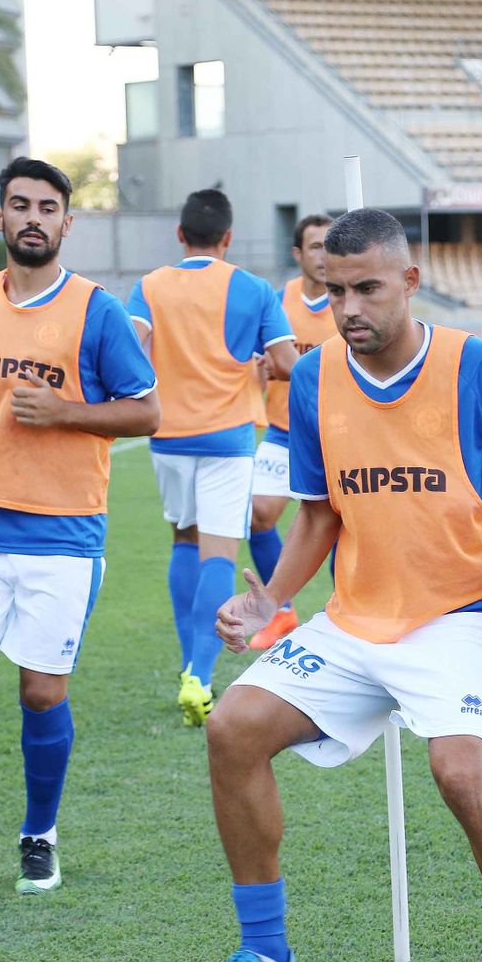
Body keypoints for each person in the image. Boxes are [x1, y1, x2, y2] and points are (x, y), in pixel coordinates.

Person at [175, 209, 482, 962]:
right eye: (334, 291)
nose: (348, 309)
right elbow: (317, 516)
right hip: (354, 619)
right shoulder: (314, 378)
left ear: (409, 280)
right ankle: (266, 957)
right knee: (232, 728)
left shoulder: (476, 367)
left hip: (459, 614)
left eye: (367, 289)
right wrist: (269, 601)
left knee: (464, 775)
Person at [0, 157, 160, 915]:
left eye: (47, 208)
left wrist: (66, 412)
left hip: (61, 530)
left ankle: (39, 834)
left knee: (41, 690)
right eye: (20, 205)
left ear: (66, 223)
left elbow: (146, 412)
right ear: (0, 218)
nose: (33, 219)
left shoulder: (96, 311)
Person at [127, 189, 298, 726]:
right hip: (227, 437)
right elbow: (286, 362)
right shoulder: (254, 288)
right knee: (219, 552)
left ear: (180, 235)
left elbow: (129, 350)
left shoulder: (149, 286)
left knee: (183, 539)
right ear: (228, 238)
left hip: (167, 435)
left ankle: (189, 665)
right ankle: (200, 677)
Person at [246, 212, 336, 650]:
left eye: (330, 246)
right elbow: (257, 361)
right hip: (286, 431)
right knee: (257, 515)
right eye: (316, 246)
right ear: (298, 253)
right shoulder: (278, 302)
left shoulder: (349, 302)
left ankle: (348, 613)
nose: (324, 255)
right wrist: (262, 371)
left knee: (348, 525)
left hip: (339, 434)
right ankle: (281, 612)